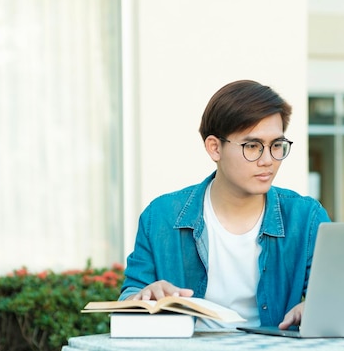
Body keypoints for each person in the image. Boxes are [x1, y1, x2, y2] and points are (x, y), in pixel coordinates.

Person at [119, 79, 331, 330]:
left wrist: (319, 308)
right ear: (214, 148)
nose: (267, 160)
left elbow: (339, 293)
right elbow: (129, 297)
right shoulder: (162, 216)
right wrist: (142, 298)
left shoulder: (305, 217)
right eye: (252, 146)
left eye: (276, 145)